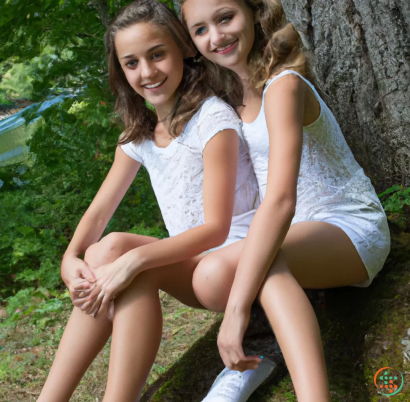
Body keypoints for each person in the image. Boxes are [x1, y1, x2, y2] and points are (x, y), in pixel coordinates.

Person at [37, 1, 272, 401]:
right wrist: (70, 258)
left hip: (235, 262)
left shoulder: (212, 119)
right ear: (121, 70)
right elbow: (98, 213)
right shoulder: (141, 133)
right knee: (105, 248)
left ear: (183, 48)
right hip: (193, 265)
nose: (147, 72)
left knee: (132, 266)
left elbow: (216, 228)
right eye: (132, 63)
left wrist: (136, 259)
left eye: (157, 54)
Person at [177, 0, 391, 401]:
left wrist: (237, 311)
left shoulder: (283, 84)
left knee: (260, 257)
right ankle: (258, 365)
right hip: (299, 235)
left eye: (226, 18)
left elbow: (280, 202)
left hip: (348, 224)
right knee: (212, 275)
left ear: (253, 11)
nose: (216, 36)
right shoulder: (229, 100)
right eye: (200, 30)